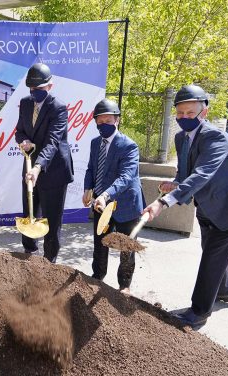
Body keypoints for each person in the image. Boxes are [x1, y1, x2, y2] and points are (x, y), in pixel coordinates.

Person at [143, 84, 228, 328]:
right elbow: (186, 172)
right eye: (180, 114)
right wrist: (174, 183)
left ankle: (198, 312)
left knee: (212, 256)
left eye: (190, 113)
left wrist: (163, 203)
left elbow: (202, 174)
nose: (184, 118)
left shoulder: (215, 137)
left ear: (203, 113)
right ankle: (226, 290)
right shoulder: (180, 136)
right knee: (213, 248)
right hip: (208, 202)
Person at [82, 98, 145, 295]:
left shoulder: (129, 146)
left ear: (117, 120)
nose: (104, 125)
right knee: (101, 241)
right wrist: (88, 189)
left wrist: (106, 195)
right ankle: (97, 276)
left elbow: (126, 177)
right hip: (101, 204)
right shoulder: (94, 143)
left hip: (126, 204)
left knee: (127, 246)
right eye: (100, 122)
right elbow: (92, 168)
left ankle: (124, 285)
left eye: (108, 121)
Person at [15, 63, 74, 263]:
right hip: (30, 166)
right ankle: (29, 254)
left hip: (54, 169)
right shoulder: (25, 103)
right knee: (30, 210)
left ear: (50, 86)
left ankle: (50, 262)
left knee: (51, 218)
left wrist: (38, 167)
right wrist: (23, 142)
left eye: (39, 89)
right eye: (32, 89)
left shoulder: (58, 108)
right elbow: (20, 130)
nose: (35, 93)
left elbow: (52, 142)